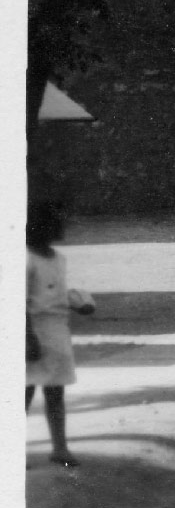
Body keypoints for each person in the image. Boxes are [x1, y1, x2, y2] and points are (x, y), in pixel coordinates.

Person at [27, 200, 93, 469]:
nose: (61, 226)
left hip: (57, 332)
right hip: (33, 332)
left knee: (55, 392)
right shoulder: (25, 259)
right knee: (23, 393)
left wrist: (79, 302)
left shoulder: (58, 259)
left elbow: (56, 291)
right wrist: (27, 338)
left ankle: (60, 447)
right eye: (55, 222)